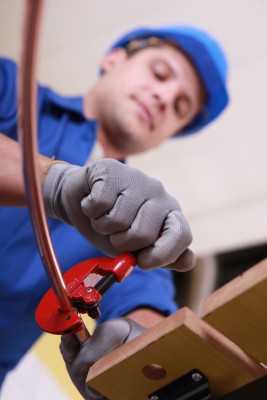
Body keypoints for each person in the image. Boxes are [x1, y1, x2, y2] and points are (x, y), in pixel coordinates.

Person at [0, 23, 229, 394]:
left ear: (163, 139)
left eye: (179, 107)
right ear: (113, 59)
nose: (163, 97)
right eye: (160, 73)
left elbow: (147, 307)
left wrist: (139, 347)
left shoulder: (138, 226)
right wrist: (54, 182)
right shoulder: (11, 90)